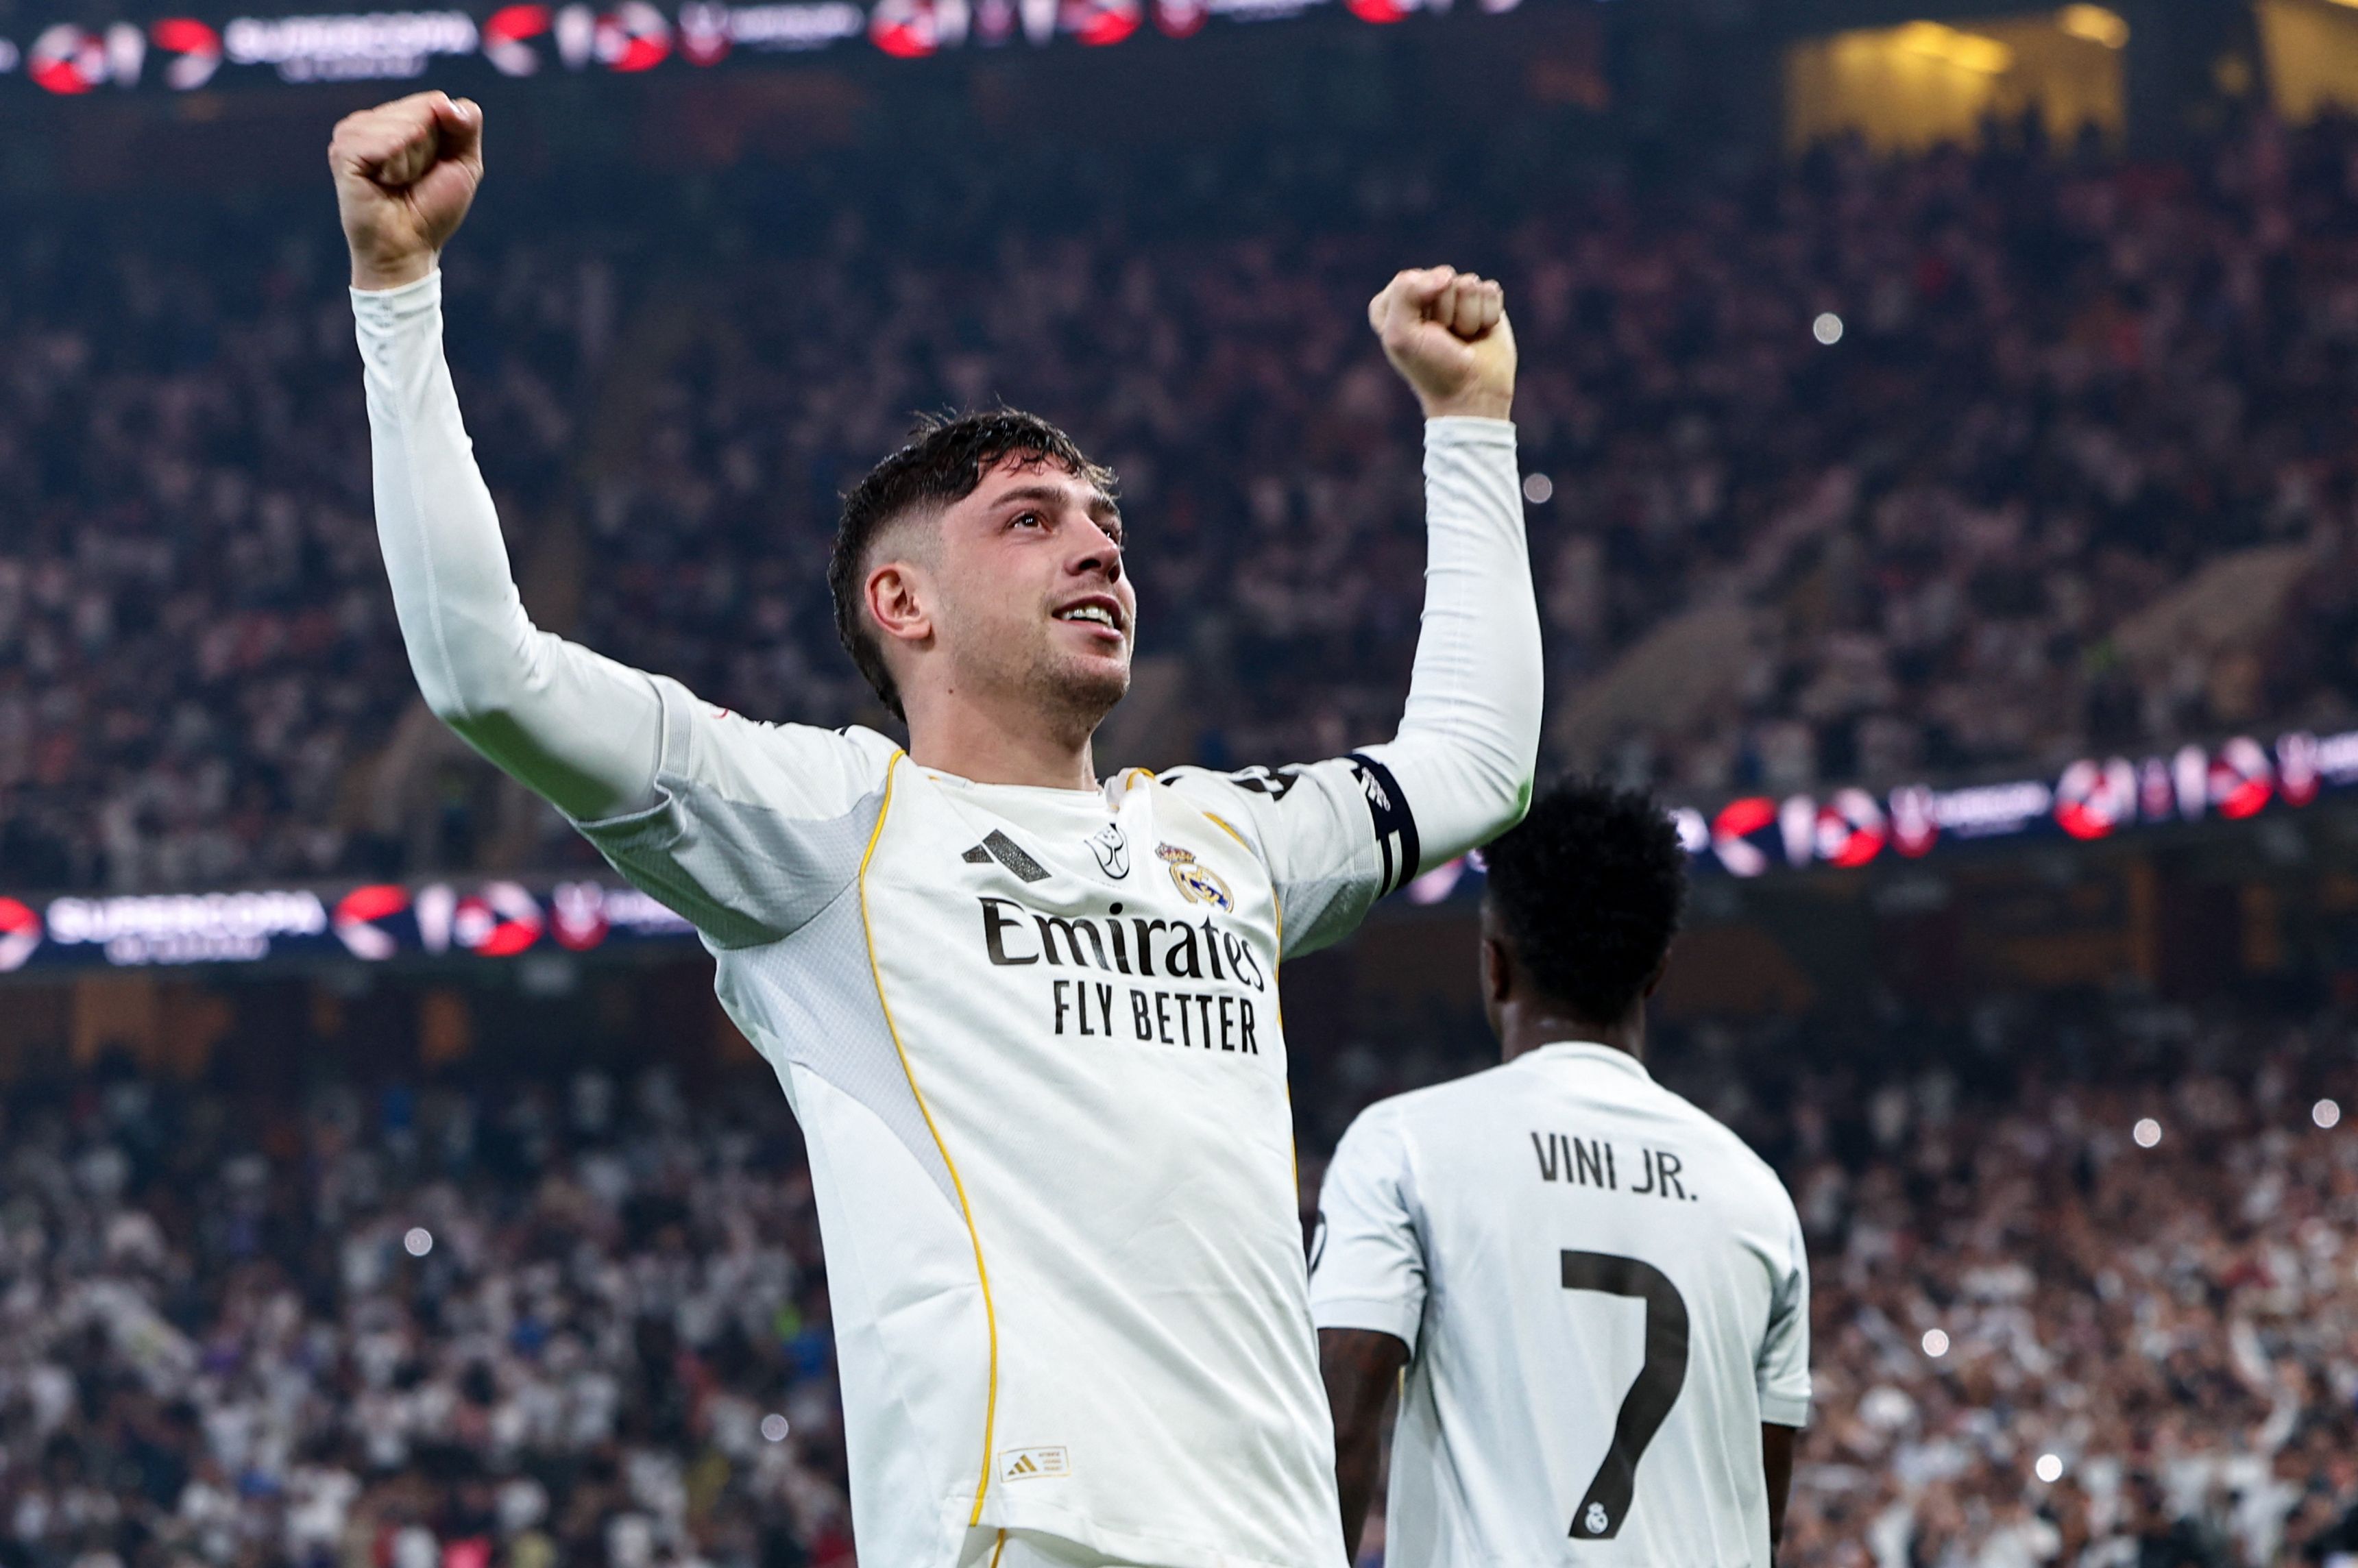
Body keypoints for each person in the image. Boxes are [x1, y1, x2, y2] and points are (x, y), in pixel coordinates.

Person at [329, 92, 1542, 1568]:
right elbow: (482, 667)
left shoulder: (1223, 839)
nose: (1098, 543)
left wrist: (1470, 424)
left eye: (1103, 521)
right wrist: (399, 289)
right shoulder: (825, 829)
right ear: (900, 605)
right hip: (1028, 1534)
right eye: (1031, 518)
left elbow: (1474, 764)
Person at [1311, 778, 1808, 1567]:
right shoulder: (1757, 1196)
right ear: (1654, 972)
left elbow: (1337, 1434)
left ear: (1493, 965)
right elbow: (1758, 1506)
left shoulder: (1406, 1145)